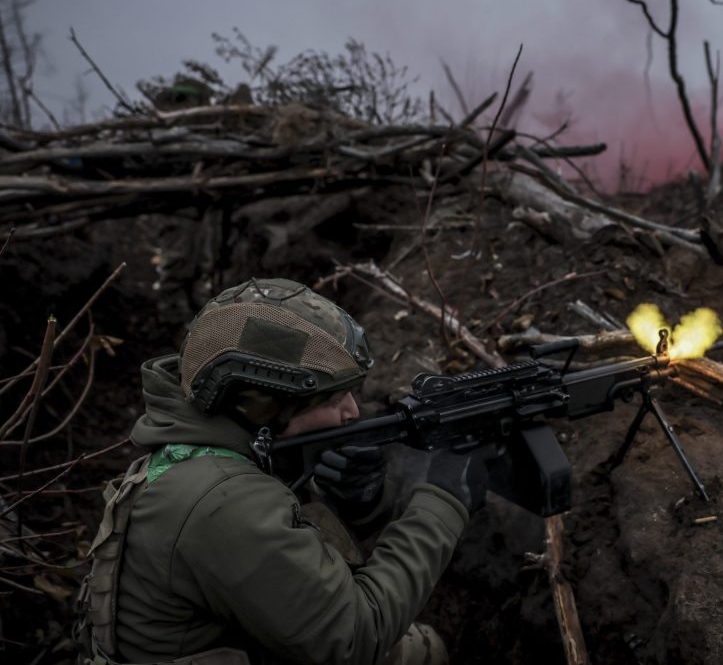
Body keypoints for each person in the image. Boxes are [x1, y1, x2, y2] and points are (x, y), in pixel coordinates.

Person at [75, 278, 489, 665]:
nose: (352, 412)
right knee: (421, 652)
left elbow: (280, 553)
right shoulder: (221, 500)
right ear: (262, 406)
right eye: (332, 399)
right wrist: (442, 502)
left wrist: (354, 503)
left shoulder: (197, 457)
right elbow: (355, 637)